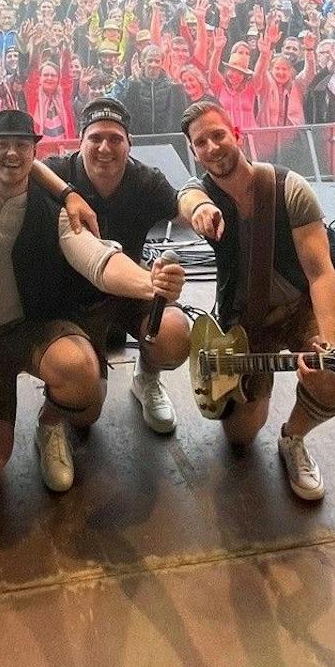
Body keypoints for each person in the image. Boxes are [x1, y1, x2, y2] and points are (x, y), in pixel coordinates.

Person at [0, 109, 184, 494]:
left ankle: (51, 423)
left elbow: (97, 259)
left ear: (34, 153)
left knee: (85, 390)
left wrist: (151, 283)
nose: (12, 154)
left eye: (21, 145)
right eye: (2, 145)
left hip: (34, 327)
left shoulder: (55, 207)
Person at [180, 100, 335, 502]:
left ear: (236, 134)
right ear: (193, 152)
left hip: (299, 308)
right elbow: (187, 198)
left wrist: (329, 342)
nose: (212, 147)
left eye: (217, 135)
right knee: (241, 433)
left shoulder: (289, 189)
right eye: (200, 142)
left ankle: (294, 437)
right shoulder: (200, 190)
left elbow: (320, 273)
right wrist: (201, 208)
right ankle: (259, 406)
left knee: (331, 379)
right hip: (246, 323)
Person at [39, 98, 212, 434]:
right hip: (72, 301)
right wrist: (67, 193)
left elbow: (181, 204)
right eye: (96, 138)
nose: (105, 148)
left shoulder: (145, 180)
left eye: (115, 139)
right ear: (80, 142)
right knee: (85, 413)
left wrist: (201, 206)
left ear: (129, 144)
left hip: (131, 290)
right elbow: (23, 163)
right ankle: (53, 414)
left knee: (175, 336)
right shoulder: (57, 174)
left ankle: (146, 379)